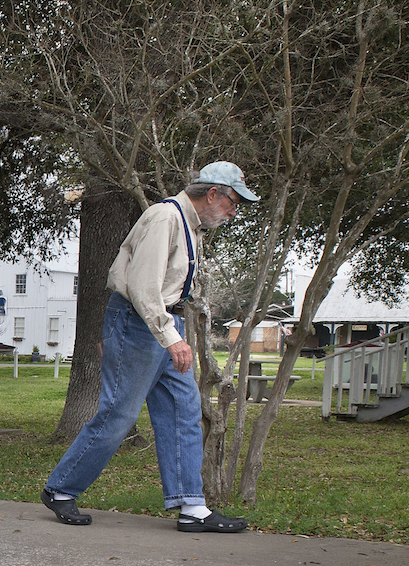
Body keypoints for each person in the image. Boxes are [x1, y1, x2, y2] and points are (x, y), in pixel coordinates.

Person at [41, 162, 259, 532]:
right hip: (138, 323)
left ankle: (192, 507)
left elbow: (170, 288)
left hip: (163, 323)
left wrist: (175, 331)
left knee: (183, 412)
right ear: (212, 194)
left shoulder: (190, 226)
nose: (233, 212)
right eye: (233, 202)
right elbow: (143, 288)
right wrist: (172, 338)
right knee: (119, 414)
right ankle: (60, 489)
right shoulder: (165, 218)